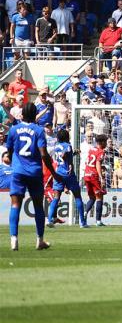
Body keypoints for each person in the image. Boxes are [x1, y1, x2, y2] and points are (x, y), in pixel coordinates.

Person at [6, 103, 60, 251]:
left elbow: (9, 151)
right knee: (38, 206)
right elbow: (43, 154)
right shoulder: (38, 130)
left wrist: (13, 162)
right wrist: (54, 173)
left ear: (22, 114)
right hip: (35, 172)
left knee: (15, 204)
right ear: (35, 115)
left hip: (18, 172)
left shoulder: (14, 130)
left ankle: (14, 240)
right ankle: (40, 240)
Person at [46, 129, 88, 229]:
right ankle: (82, 222)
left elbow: (63, 155)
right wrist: (69, 164)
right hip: (68, 174)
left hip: (58, 173)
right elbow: (64, 155)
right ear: (66, 137)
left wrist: (73, 154)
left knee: (56, 197)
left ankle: (49, 219)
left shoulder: (56, 146)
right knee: (77, 196)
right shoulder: (67, 145)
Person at [83, 134, 108, 227]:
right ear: (101, 142)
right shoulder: (101, 152)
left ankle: (84, 213)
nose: (106, 143)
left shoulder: (91, 149)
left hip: (86, 175)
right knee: (99, 197)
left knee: (92, 198)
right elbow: (97, 163)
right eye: (105, 142)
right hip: (94, 176)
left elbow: (88, 161)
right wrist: (101, 177)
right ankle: (98, 221)